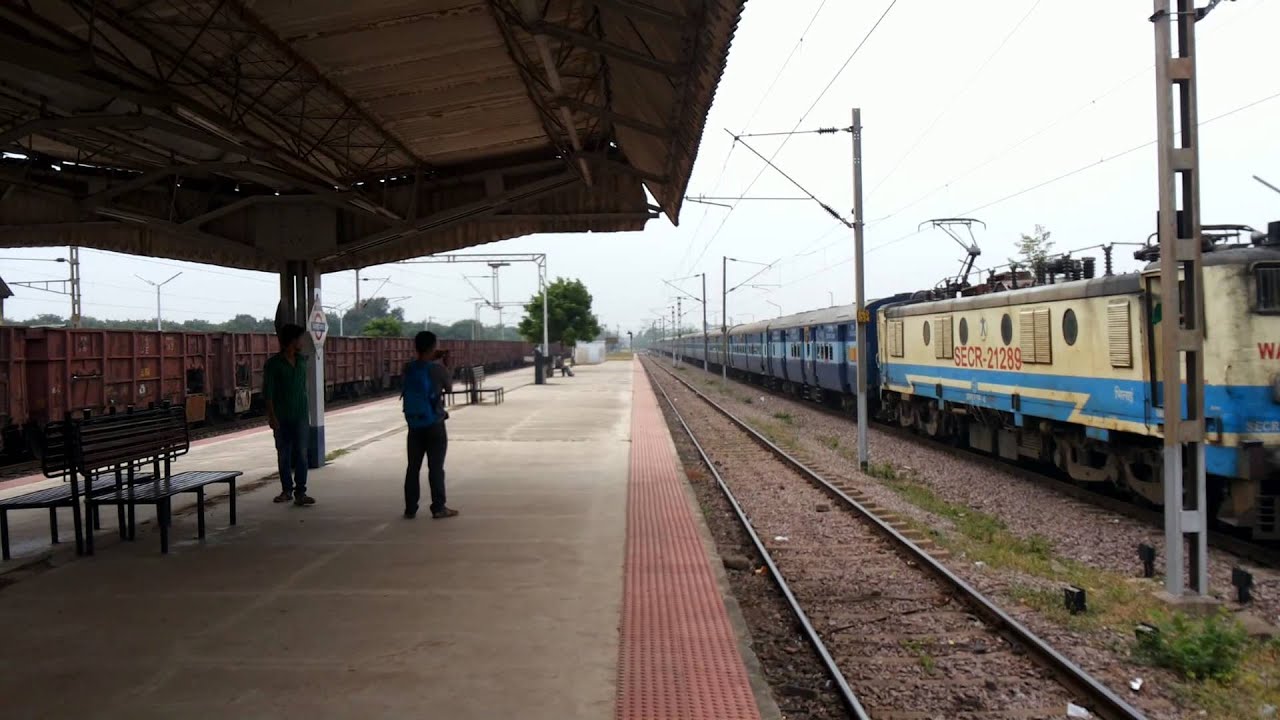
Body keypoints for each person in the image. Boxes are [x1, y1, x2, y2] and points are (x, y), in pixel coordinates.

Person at [402, 331, 458, 519]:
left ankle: (410, 508)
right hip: (434, 424)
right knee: (435, 468)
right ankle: (438, 507)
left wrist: (431, 356)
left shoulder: (408, 368)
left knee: (413, 467)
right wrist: (446, 364)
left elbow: (418, 365)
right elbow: (449, 388)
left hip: (414, 424)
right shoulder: (438, 370)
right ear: (434, 346)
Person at [264, 323, 316, 506]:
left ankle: (300, 492)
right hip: (282, 416)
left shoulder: (302, 361)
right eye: (300, 338)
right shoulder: (273, 364)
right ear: (292, 341)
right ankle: (287, 490)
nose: (302, 342)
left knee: (302, 453)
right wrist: (271, 416)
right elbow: (268, 393)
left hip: (301, 415)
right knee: (284, 454)